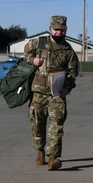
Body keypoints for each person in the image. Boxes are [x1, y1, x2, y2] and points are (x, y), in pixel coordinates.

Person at [23, 15, 79, 171]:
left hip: (57, 94)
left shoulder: (68, 50)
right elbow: (26, 55)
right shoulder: (38, 43)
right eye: (56, 30)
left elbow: (73, 72)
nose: (59, 33)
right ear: (50, 29)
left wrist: (68, 87)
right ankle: (40, 150)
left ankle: (53, 157)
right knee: (37, 124)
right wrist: (33, 60)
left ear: (66, 30)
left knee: (56, 126)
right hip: (38, 92)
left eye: (62, 30)